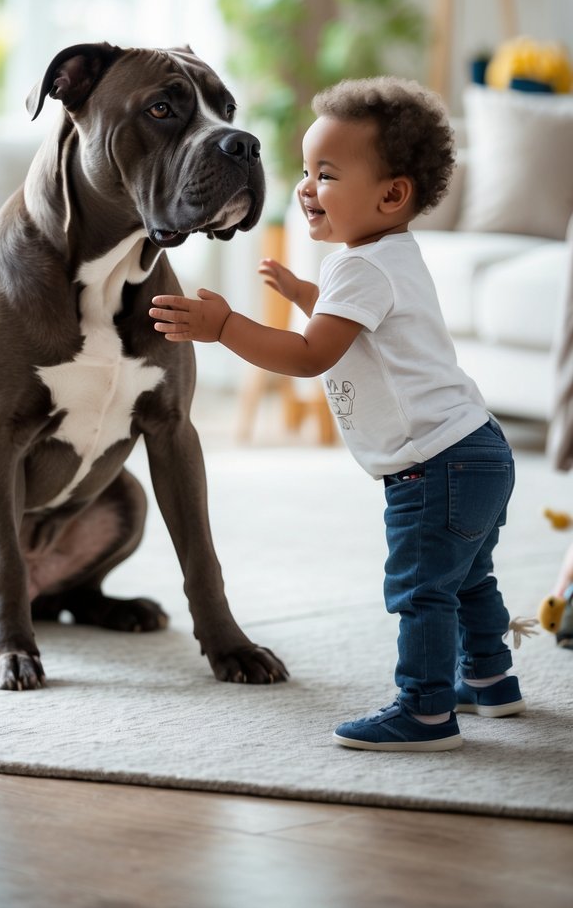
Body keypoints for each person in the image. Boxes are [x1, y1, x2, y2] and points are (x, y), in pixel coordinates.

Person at [150, 76, 524, 752]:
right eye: (303, 171)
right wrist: (305, 293)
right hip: (477, 450)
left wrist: (225, 325)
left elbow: (309, 355)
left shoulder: (358, 270)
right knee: (468, 576)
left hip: (432, 466)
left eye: (325, 174)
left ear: (390, 194)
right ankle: (491, 677)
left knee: (420, 589)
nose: (305, 188)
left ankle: (426, 708)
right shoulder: (391, 256)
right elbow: (353, 327)